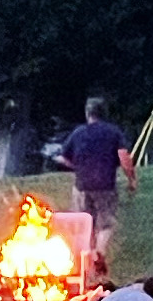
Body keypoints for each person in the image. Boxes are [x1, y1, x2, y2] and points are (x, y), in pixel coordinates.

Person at [50, 96, 135, 259]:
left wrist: (78, 166)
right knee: (106, 224)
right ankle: (99, 254)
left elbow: (64, 158)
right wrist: (131, 179)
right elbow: (124, 156)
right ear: (105, 113)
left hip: (81, 186)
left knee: (83, 224)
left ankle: (83, 259)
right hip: (105, 186)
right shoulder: (113, 132)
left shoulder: (78, 133)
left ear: (87, 113)